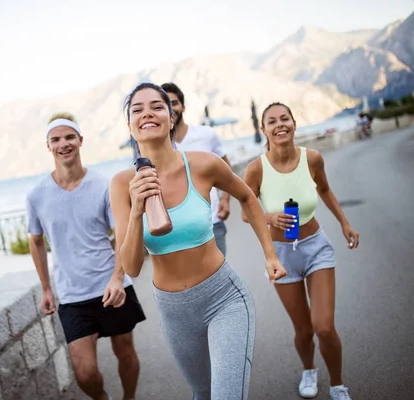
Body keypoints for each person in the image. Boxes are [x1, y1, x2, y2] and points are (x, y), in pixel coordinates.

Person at [109, 82, 287, 400]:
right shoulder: (122, 184)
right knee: (202, 393)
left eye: (157, 106)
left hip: (224, 298)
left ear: (171, 116)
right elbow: (133, 267)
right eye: (137, 109)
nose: (147, 113)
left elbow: (247, 196)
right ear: (129, 127)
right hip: (173, 310)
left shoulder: (204, 164)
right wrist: (137, 211)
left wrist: (271, 255)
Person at [242, 102, 360, 400]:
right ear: (263, 130)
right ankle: (309, 369)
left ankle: (337, 384)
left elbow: (324, 189)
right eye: (272, 121)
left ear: (294, 124)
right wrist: (269, 217)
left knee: (323, 327)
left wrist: (345, 223)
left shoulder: (313, 159)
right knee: (304, 330)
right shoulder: (256, 169)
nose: (280, 124)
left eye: (285, 119)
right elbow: (246, 212)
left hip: (316, 247)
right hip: (281, 254)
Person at [26, 112, 146, 400]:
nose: (63, 144)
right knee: (85, 373)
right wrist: (45, 287)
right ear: (48, 146)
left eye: (69, 137)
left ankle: (129, 398)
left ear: (80, 140)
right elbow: (36, 240)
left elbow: (122, 234)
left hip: (111, 286)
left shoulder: (104, 185)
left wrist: (118, 277)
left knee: (125, 353)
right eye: (56, 139)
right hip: (71, 296)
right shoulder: (36, 195)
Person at [160, 82, 232, 256]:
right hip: (178, 229)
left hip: (212, 220)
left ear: (183, 106)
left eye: (174, 103)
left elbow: (226, 168)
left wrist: (225, 200)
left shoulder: (206, 135)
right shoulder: (159, 146)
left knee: (220, 276)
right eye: (165, 105)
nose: (171, 109)